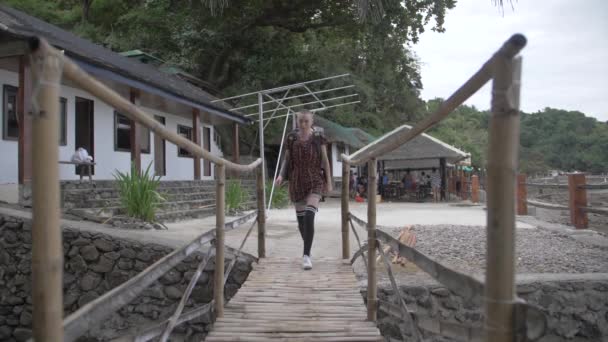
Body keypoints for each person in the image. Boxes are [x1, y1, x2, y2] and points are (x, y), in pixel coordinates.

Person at [275, 110, 332, 270]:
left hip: (315, 179)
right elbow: (286, 159)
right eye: (301, 121)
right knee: (301, 223)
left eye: (306, 121)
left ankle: (306, 256)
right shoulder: (292, 138)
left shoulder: (318, 138)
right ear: (297, 122)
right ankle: (308, 248)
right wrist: (281, 175)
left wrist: (329, 181)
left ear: (312, 121)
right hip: (296, 181)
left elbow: (326, 161)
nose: (303, 124)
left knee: (309, 215)